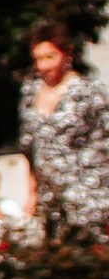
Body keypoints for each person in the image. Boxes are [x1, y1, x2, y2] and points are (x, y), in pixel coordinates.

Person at [23, 26, 109, 231]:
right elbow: (29, 147)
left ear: (66, 54)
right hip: (49, 199)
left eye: (50, 57)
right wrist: (31, 194)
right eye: (38, 59)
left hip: (89, 195)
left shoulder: (88, 92)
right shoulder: (30, 91)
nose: (43, 65)